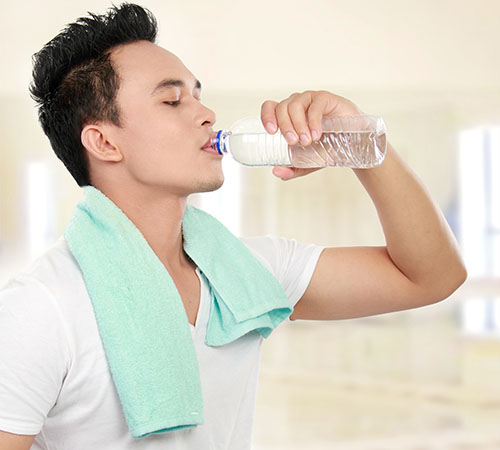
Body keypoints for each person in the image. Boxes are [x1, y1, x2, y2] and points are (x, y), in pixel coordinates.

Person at [0, 3, 466, 450]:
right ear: (103, 141)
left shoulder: (245, 277)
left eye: (198, 95)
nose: (205, 114)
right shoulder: (41, 307)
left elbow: (431, 276)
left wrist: (359, 141)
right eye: (172, 100)